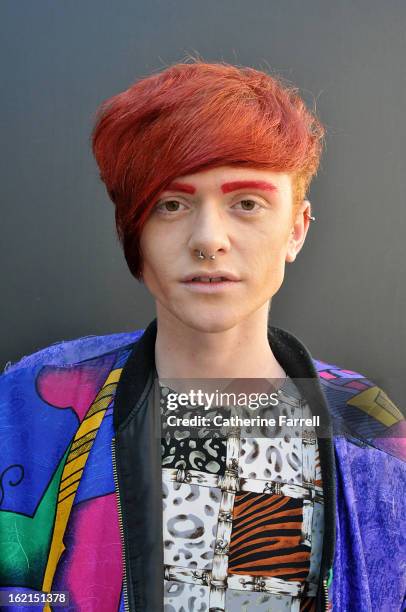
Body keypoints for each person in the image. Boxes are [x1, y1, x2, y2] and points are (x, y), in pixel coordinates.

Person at [0, 60, 404, 612]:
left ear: (297, 229)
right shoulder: (32, 402)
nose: (209, 239)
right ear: (132, 234)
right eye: (171, 204)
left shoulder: (368, 426)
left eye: (246, 203)